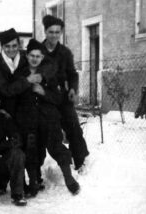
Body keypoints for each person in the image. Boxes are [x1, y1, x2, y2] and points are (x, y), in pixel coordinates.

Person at [14, 39, 80, 196]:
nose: (35, 59)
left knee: (56, 147)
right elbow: (15, 95)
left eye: (38, 56)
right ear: (27, 56)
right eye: (32, 55)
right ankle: (34, 183)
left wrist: (44, 92)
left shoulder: (49, 75)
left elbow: (58, 98)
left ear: (42, 57)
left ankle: (69, 179)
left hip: (49, 118)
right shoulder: (20, 74)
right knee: (32, 150)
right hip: (29, 120)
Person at [41, 15, 89, 172]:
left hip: (63, 96)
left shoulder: (65, 52)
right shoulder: (38, 51)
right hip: (46, 98)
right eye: (51, 32)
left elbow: (72, 74)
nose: (54, 35)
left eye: (57, 32)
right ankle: (64, 163)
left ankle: (80, 161)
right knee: (53, 131)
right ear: (45, 31)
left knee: (74, 127)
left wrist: (73, 89)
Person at [0, 28, 42, 117]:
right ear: (2, 46)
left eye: (14, 46)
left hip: (25, 108)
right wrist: (27, 80)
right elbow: (5, 90)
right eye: (7, 46)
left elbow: (47, 61)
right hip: (5, 108)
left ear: (19, 45)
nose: (11, 49)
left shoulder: (26, 57)